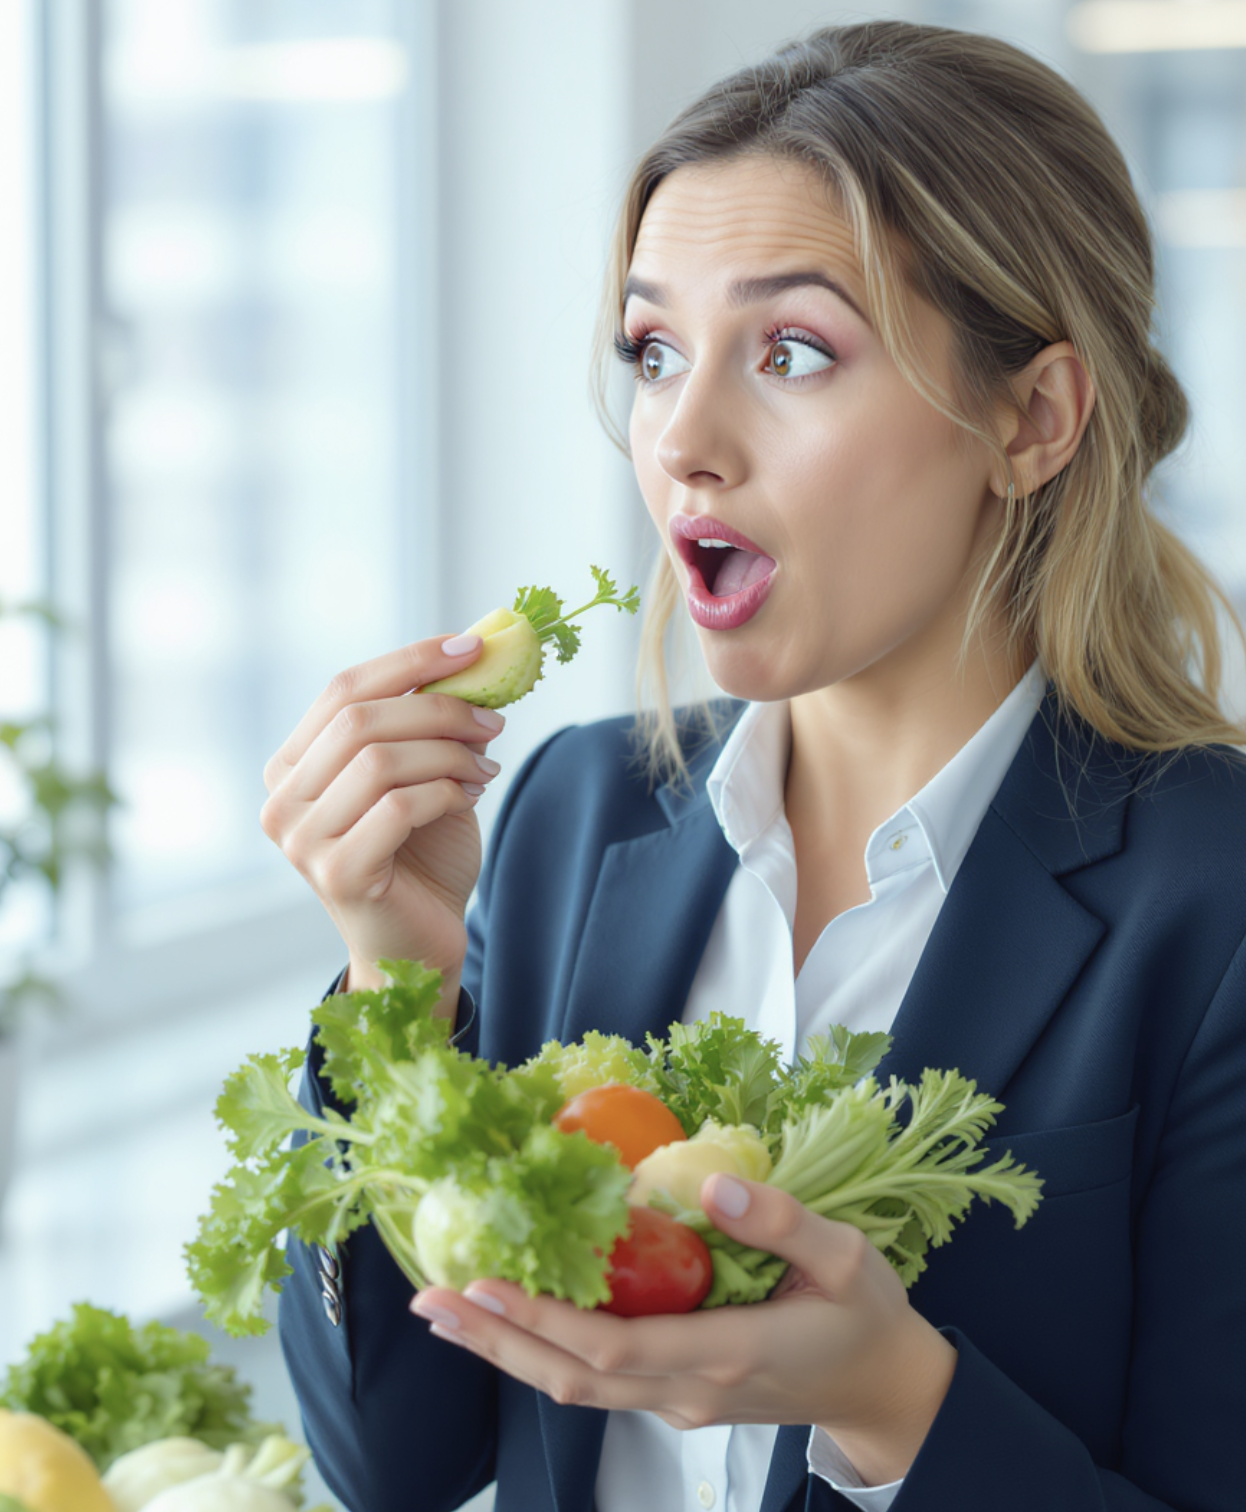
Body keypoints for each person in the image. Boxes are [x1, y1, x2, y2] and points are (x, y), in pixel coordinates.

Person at [264, 21, 1246, 1512]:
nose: (684, 443)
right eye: (653, 352)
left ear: (1028, 419)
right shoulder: (567, 818)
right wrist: (398, 993)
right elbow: (395, 1463)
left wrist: (890, 1405)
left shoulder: (1214, 904)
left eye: (790, 351)